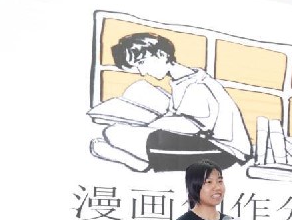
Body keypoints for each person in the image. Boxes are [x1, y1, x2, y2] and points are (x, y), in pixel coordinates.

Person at [90, 33, 252, 172]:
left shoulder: (196, 85)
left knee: (115, 133)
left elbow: (193, 126)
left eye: (141, 63)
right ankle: (140, 160)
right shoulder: (181, 81)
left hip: (224, 152)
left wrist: (150, 125)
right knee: (114, 132)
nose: (142, 72)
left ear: (161, 55)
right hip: (207, 143)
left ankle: (140, 161)